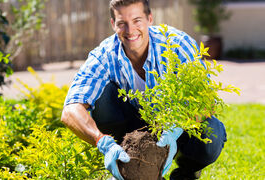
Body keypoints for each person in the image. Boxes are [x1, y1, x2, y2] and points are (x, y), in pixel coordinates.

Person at [61, 0, 227, 179]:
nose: (130, 30)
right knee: (103, 95)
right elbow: (70, 110)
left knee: (212, 133)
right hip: (129, 130)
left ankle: (187, 172)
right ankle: (127, 163)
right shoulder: (104, 55)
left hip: (174, 125)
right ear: (113, 24)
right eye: (122, 23)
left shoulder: (176, 43)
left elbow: (206, 99)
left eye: (137, 20)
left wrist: (175, 129)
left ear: (150, 19)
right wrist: (102, 142)